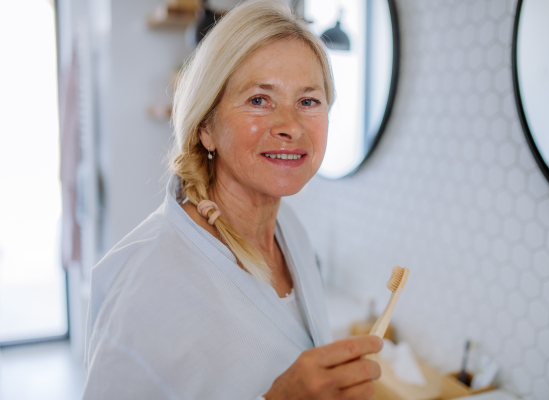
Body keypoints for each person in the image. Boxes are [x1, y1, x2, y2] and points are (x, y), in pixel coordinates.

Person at [82, 1, 383, 399]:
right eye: (259, 99)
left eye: (308, 101)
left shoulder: (289, 230)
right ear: (206, 126)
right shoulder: (146, 281)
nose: (290, 126)